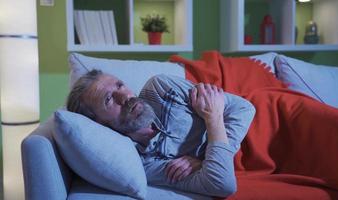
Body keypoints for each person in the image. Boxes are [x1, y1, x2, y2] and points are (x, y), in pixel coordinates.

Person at [67, 69, 256, 197]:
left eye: (119, 85)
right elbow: (222, 185)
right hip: (251, 160)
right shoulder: (141, 162)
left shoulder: (161, 88)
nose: (126, 97)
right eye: (108, 99)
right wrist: (213, 117)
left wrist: (208, 160)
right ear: (98, 123)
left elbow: (244, 108)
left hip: (265, 120)